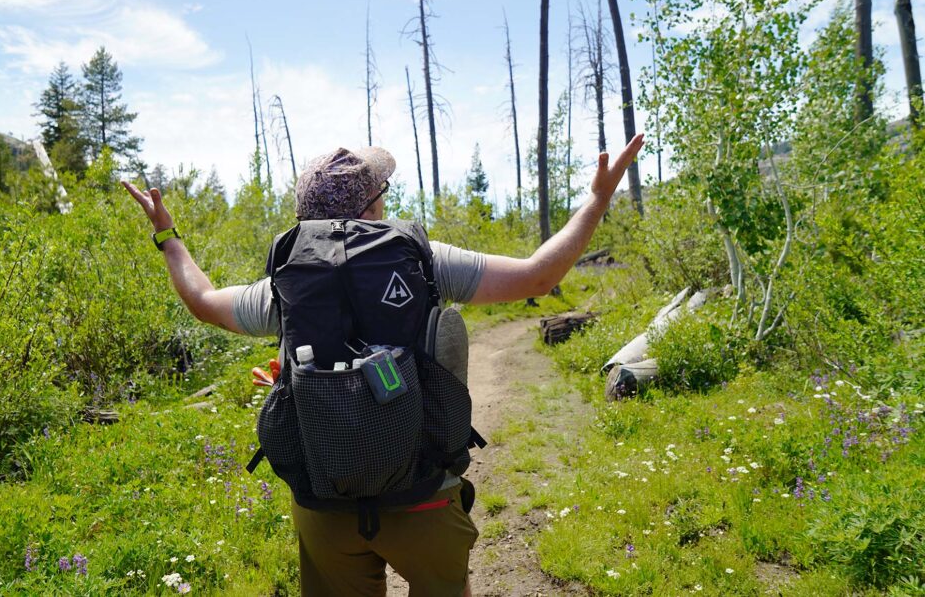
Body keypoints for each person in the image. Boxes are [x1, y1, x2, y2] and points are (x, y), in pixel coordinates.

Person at [122, 133, 644, 597]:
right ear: (371, 208)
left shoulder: (288, 282)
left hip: (323, 502)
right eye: (385, 194)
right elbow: (537, 276)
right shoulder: (422, 259)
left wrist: (168, 236)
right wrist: (598, 198)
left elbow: (204, 301)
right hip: (424, 497)